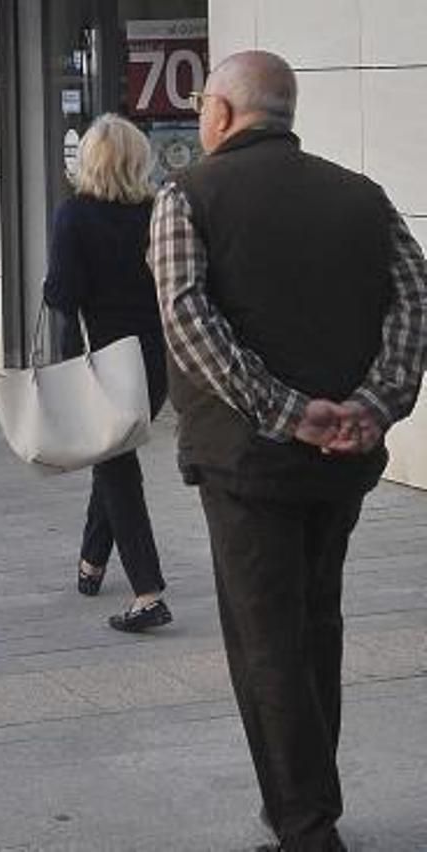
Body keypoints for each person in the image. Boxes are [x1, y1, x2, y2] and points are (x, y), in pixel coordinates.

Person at [149, 50, 427, 851]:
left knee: (267, 640)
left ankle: (306, 824)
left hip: (247, 463)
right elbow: (414, 301)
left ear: (225, 115)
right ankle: (305, 805)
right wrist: (372, 408)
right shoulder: (363, 199)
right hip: (340, 465)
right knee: (316, 624)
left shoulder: (187, 197)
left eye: (204, 104)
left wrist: (287, 411)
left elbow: (188, 321)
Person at [43, 114, 171, 633]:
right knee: (113, 456)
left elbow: (63, 295)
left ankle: (148, 592)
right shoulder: (159, 210)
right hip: (154, 361)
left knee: (117, 468)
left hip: (100, 361)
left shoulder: (75, 216)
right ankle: (92, 563)